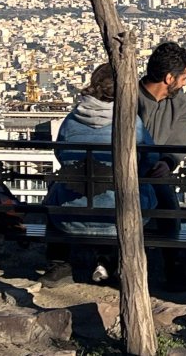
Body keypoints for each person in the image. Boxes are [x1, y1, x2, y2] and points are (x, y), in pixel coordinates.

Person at [41, 63, 158, 288]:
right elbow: (149, 159)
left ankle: (58, 264)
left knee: (55, 190)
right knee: (151, 191)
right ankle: (137, 264)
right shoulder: (130, 122)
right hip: (122, 219)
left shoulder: (71, 120)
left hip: (70, 218)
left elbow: (62, 156)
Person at [138, 40, 186, 291]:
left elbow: (180, 135)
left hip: (157, 170)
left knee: (167, 203)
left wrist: (168, 160)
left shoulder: (178, 101)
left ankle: (173, 263)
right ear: (169, 78)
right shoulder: (132, 97)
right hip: (126, 171)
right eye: (183, 77)